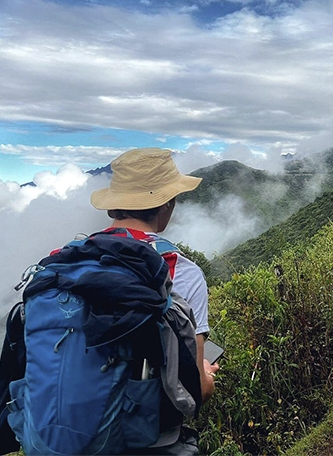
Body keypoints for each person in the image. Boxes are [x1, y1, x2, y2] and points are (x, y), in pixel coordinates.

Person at [90, 147, 219, 455]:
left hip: (63, 436)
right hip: (146, 441)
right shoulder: (180, 271)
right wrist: (207, 376)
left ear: (113, 208)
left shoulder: (74, 260)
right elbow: (194, 390)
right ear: (167, 204)